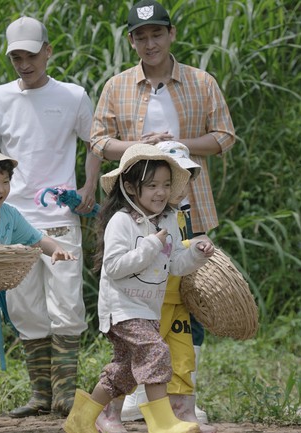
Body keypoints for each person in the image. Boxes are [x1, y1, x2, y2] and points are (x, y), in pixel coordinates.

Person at [90, 0, 236, 423]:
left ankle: (181, 397)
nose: (149, 42)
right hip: (137, 210)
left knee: (185, 300)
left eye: (157, 33)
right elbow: (99, 141)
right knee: (142, 296)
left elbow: (225, 135)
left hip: (188, 207)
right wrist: (142, 149)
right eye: (141, 36)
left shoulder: (200, 81)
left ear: (171, 34)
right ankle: (144, 395)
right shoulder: (117, 86)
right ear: (131, 40)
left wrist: (181, 146)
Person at [0, 16, 101, 417]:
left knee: (66, 305)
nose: (24, 63)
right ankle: (40, 396)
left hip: (60, 216)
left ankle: (65, 395)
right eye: (16, 56)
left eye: (30, 54)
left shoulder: (73, 96)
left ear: (48, 50)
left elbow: (95, 142)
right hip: (12, 220)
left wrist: (88, 187)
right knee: (24, 307)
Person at [63, 143, 214, 433]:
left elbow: (176, 265)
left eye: (167, 185)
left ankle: (80, 420)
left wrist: (197, 253)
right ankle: (163, 422)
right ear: (131, 188)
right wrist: (150, 245)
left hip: (148, 309)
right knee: (156, 350)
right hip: (121, 308)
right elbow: (115, 267)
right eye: (153, 185)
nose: (161, 192)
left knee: (125, 371)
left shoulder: (169, 219)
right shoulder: (121, 221)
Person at [0, 144, 77, 366]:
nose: (1, 189)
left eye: (5, 182)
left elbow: (36, 239)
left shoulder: (9, 215)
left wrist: (56, 250)